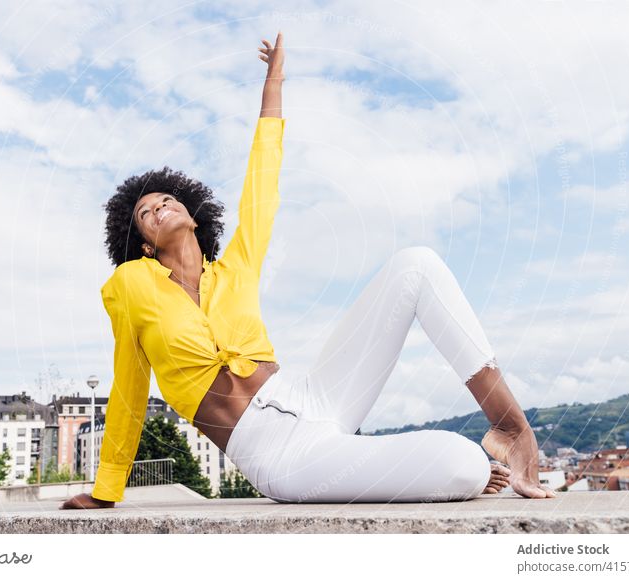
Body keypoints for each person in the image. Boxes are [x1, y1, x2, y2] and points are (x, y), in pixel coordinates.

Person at [61, 31, 553, 510]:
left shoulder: (234, 267)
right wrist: (107, 487)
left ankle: (510, 427)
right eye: (146, 212)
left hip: (314, 396)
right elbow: (128, 383)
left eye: (168, 200)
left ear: (193, 216)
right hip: (281, 455)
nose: (159, 207)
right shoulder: (129, 286)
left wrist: (272, 88)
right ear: (144, 245)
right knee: (464, 466)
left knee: (416, 265)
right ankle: (446, 458)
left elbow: (262, 187)